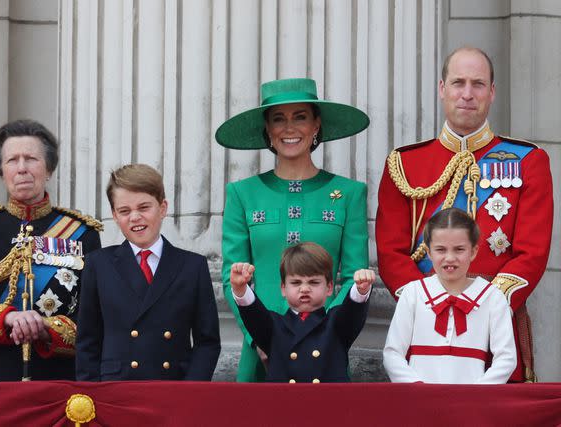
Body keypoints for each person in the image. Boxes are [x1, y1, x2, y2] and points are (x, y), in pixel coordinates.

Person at [375, 47, 553, 382]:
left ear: (492, 92)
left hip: (495, 331)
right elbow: (390, 253)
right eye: (458, 83)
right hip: (423, 331)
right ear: (442, 89)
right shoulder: (404, 164)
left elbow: (532, 253)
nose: (467, 94)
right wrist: (430, 306)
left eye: (478, 84)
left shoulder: (529, 160)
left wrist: (484, 307)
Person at [216, 77, 370, 382]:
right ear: (268, 131)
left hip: (325, 348)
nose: (289, 128)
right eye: (278, 119)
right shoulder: (241, 193)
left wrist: (329, 334)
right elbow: (230, 276)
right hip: (261, 347)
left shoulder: (349, 193)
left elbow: (355, 275)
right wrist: (260, 337)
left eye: (300, 117)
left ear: (316, 125)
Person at [0, 119, 103, 381]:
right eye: (12, 161)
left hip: (58, 381)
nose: (21, 169)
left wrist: (45, 329)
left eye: (31, 159)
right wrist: (8, 318)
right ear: (1, 171)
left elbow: (94, 319)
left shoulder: (83, 233)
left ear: (49, 168)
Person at [75, 164, 221, 381]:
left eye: (144, 207)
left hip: (173, 387)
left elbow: (207, 342)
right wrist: (93, 395)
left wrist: (191, 390)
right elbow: (87, 341)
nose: (135, 217)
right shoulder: (98, 264)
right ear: (115, 215)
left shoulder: (192, 266)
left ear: (163, 208)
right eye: (124, 211)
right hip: (115, 390)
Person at [383, 208, 517, 383]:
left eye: (459, 249)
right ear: (429, 252)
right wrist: (416, 388)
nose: (450, 258)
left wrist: (477, 394)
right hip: (418, 400)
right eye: (441, 250)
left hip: (471, 403)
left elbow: (506, 358)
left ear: (474, 251)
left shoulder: (493, 297)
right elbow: (392, 353)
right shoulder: (413, 293)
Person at [229, 242, 373, 383]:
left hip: (329, 404)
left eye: (314, 282)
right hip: (285, 404)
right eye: (296, 283)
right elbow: (253, 314)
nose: (304, 289)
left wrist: (360, 289)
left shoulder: (336, 323)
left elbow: (352, 312)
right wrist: (240, 289)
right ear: (283, 288)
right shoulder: (274, 326)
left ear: (329, 288)